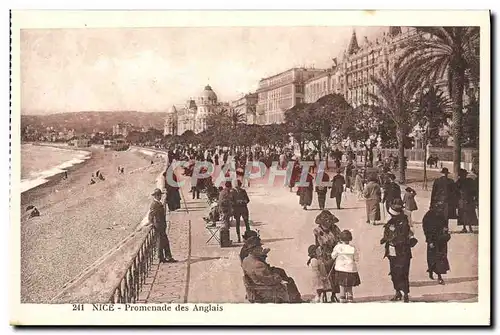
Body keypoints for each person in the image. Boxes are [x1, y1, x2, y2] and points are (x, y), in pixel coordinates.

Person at [241, 237, 302, 303]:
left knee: (283, 274)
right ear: (253, 250)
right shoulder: (258, 264)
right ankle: (296, 301)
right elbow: (268, 280)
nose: (261, 248)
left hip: (256, 284)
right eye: (259, 247)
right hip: (264, 290)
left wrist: (262, 255)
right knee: (289, 281)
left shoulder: (246, 260)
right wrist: (278, 278)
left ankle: (295, 299)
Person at [380, 199, 416, 303]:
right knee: (401, 272)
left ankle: (401, 293)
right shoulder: (392, 218)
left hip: (397, 250)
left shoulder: (404, 217)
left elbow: (411, 231)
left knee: (397, 272)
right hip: (400, 250)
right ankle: (402, 293)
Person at [313, 210, 342, 302]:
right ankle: (320, 294)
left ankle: (333, 294)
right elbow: (317, 244)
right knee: (322, 274)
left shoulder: (335, 229)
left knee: (335, 275)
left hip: (334, 253)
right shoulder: (317, 231)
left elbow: (340, 240)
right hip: (323, 254)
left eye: (330, 221)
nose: (328, 223)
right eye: (326, 221)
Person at [422, 207, 450, 285]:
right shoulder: (428, 216)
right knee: (433, 258)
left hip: (441, 240)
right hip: (433, 241)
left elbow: (445, 225)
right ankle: (437, 275)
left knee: (441, 258)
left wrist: (445, 230)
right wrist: (429, 240)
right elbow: (426, 229)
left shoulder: (442, 214)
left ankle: (438, 275)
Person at [331, 230, 361, 303]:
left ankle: (342, 297)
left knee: (342, 285)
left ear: (340, 239)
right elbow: (357, 259)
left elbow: (333, 256)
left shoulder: (338, 247)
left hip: (340, 269)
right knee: (349, 285)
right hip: (351, 269)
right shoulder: (352, 248)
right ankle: (350, 297)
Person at [149, 188, 177, 263]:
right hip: (159, 226)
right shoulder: (154, 204)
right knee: (162, 242)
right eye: (159, 195)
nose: (160, 197)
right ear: (156, 196)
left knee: (163, 242)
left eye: (160, 195)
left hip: (161, 225)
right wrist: (152, 223)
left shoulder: (158, 203)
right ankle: (164, 257)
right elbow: (151, 215)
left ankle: (163, 257)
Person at [456, 169, 479, 233]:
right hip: (463, 200)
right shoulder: (460, 182)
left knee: (468, 213)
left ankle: (469, 227)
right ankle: (465, 227)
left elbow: (474, 190)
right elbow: (456, 191)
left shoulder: (467, 181)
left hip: (467, 199)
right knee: (463, 214)